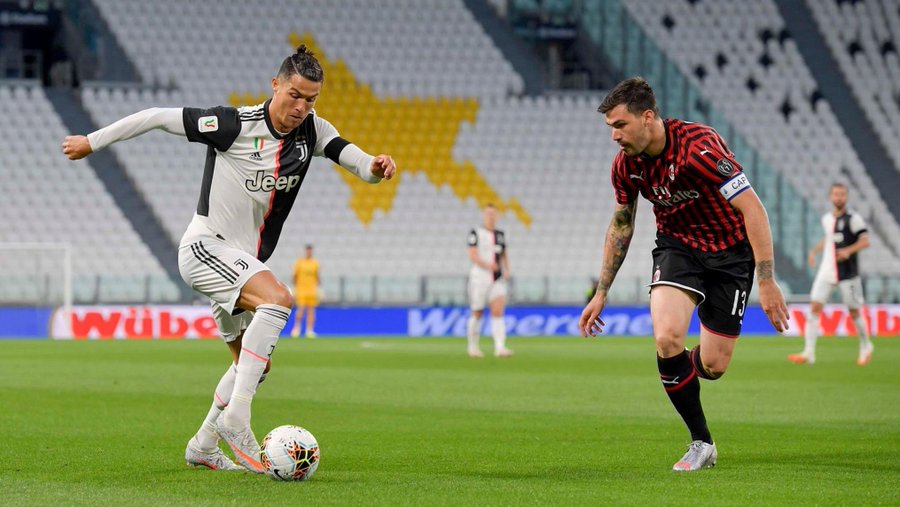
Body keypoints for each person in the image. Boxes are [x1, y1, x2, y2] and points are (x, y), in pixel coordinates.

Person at [61, 45, 396, 473]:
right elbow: (159, 116)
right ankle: (238, 417)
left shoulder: (313, 131)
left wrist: (378, 166)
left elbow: (359, 163)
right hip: (205, 248)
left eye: (311, 99)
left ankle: (202, 445)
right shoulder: (234, 124)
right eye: (294, 94)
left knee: (254, 365)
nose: (301, 106)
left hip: (240, 265)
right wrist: (93, 141)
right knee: (278, 299)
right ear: (275, 84)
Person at [578, 77, 789, 472]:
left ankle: (681, 371)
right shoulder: (627, 166)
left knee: (713, 366)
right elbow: (622, 224)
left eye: (619, 125)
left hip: (731, 256)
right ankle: (701, 442)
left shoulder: (700, 147)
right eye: (610, 128)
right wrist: (601, 290)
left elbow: (753, 209)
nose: (614, 137)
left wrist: (766, 280)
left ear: (648, 117)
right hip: (677, 251)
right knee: (667, 336)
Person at [789, 183, 872, 366]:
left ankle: (866, 345)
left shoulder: (854, 219)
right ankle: (809, 352)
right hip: (826, 271)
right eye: (836, 194)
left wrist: (848, 251)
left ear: (846, 197)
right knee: (814, 308)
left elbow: (865, 241)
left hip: (847, 273)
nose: (839, 197)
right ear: (830, 197)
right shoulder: (827, 218)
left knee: (854, 311)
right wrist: (814, 251)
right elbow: (828, 237)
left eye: (842, 194)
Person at [466, 203, 513, 358]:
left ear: (497, 216)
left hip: (497, 278)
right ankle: (473, 347)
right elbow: (472, 255)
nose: (491, 216)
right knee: (477, 312)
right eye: (488, 213)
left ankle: (500, 347)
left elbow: (504, 253)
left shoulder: (500, 234)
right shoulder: (476, 233)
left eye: (493, 214)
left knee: (498, 311)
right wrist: (488, 265)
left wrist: (506, 269)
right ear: (483, 215)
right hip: (479, 277)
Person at [290, 244, 320, 338]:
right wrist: (296, 289)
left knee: (311, 311)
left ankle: (309, 330)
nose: (309, 252)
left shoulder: (315, 263)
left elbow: (317, 277)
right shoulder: (299, 262)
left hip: (312, 291)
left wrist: (318, 289)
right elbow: (294, 276)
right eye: (308, 251)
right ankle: (296, 329)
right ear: (305, 251)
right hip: (301, 290)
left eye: (310, 251)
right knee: (300, 310)